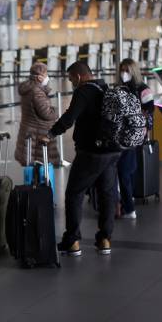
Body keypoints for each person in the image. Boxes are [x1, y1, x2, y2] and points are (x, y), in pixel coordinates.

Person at [46, 61, 118, 256]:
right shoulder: (105, 87)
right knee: (107, 194)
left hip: (91, 152)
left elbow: (70, 117)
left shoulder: (84, 91)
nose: (71, 83)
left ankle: (72, 241)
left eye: (71, 79)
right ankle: (105, 239)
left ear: (78, 76)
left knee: (74, 194)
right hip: (112, 151)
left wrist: (51, 134)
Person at [115, 58, 154, 220]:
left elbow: (149, 110)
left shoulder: (143, 89)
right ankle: (127, 199)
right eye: (122, 70)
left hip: (134, 135)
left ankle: (129, 207)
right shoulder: (120, 89)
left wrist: (134, 120)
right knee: (128, 168)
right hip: (122, 134)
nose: (124, 73)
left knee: (125, 170)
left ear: (133, 71)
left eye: (127, 70)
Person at [15, 62, 59, 167]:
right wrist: (56, 111)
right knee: (40, 166)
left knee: (32, 165)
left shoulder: (29, 89)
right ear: (39, 77)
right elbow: (46, 114)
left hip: (29, 130)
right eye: (46, 74)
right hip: (38, 133)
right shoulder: (37, 92)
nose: (47, 77)